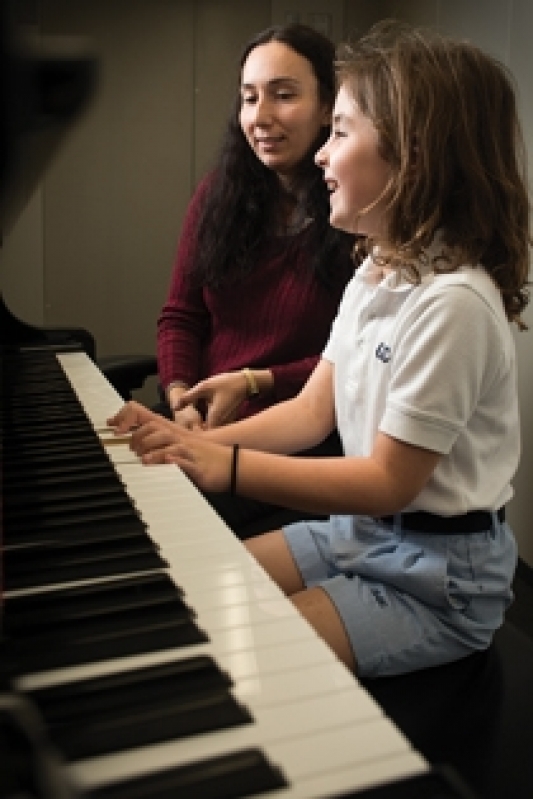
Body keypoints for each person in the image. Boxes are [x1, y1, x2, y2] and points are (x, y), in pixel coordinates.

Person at [109, 20, 531, 679]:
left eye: (338, 131)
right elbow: (311, 411)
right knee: (199, 592)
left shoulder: (454, 303)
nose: (319, 156)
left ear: (411, 153)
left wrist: (228, 467)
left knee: (243, 651)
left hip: (437, 575)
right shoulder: (375, 270)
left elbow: (388, 478)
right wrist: (181, 436)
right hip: (358, 532)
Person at [156, 22, 356, 537]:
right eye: (249, 98)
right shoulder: (216, 196)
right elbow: (181, 317)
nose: (261, 117)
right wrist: (181, 400)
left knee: (175, 536)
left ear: (328, 107)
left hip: (297, 444)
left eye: (284, 96)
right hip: (205, 423)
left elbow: (350, 363)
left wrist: (252, 382)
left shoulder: (354, 213)